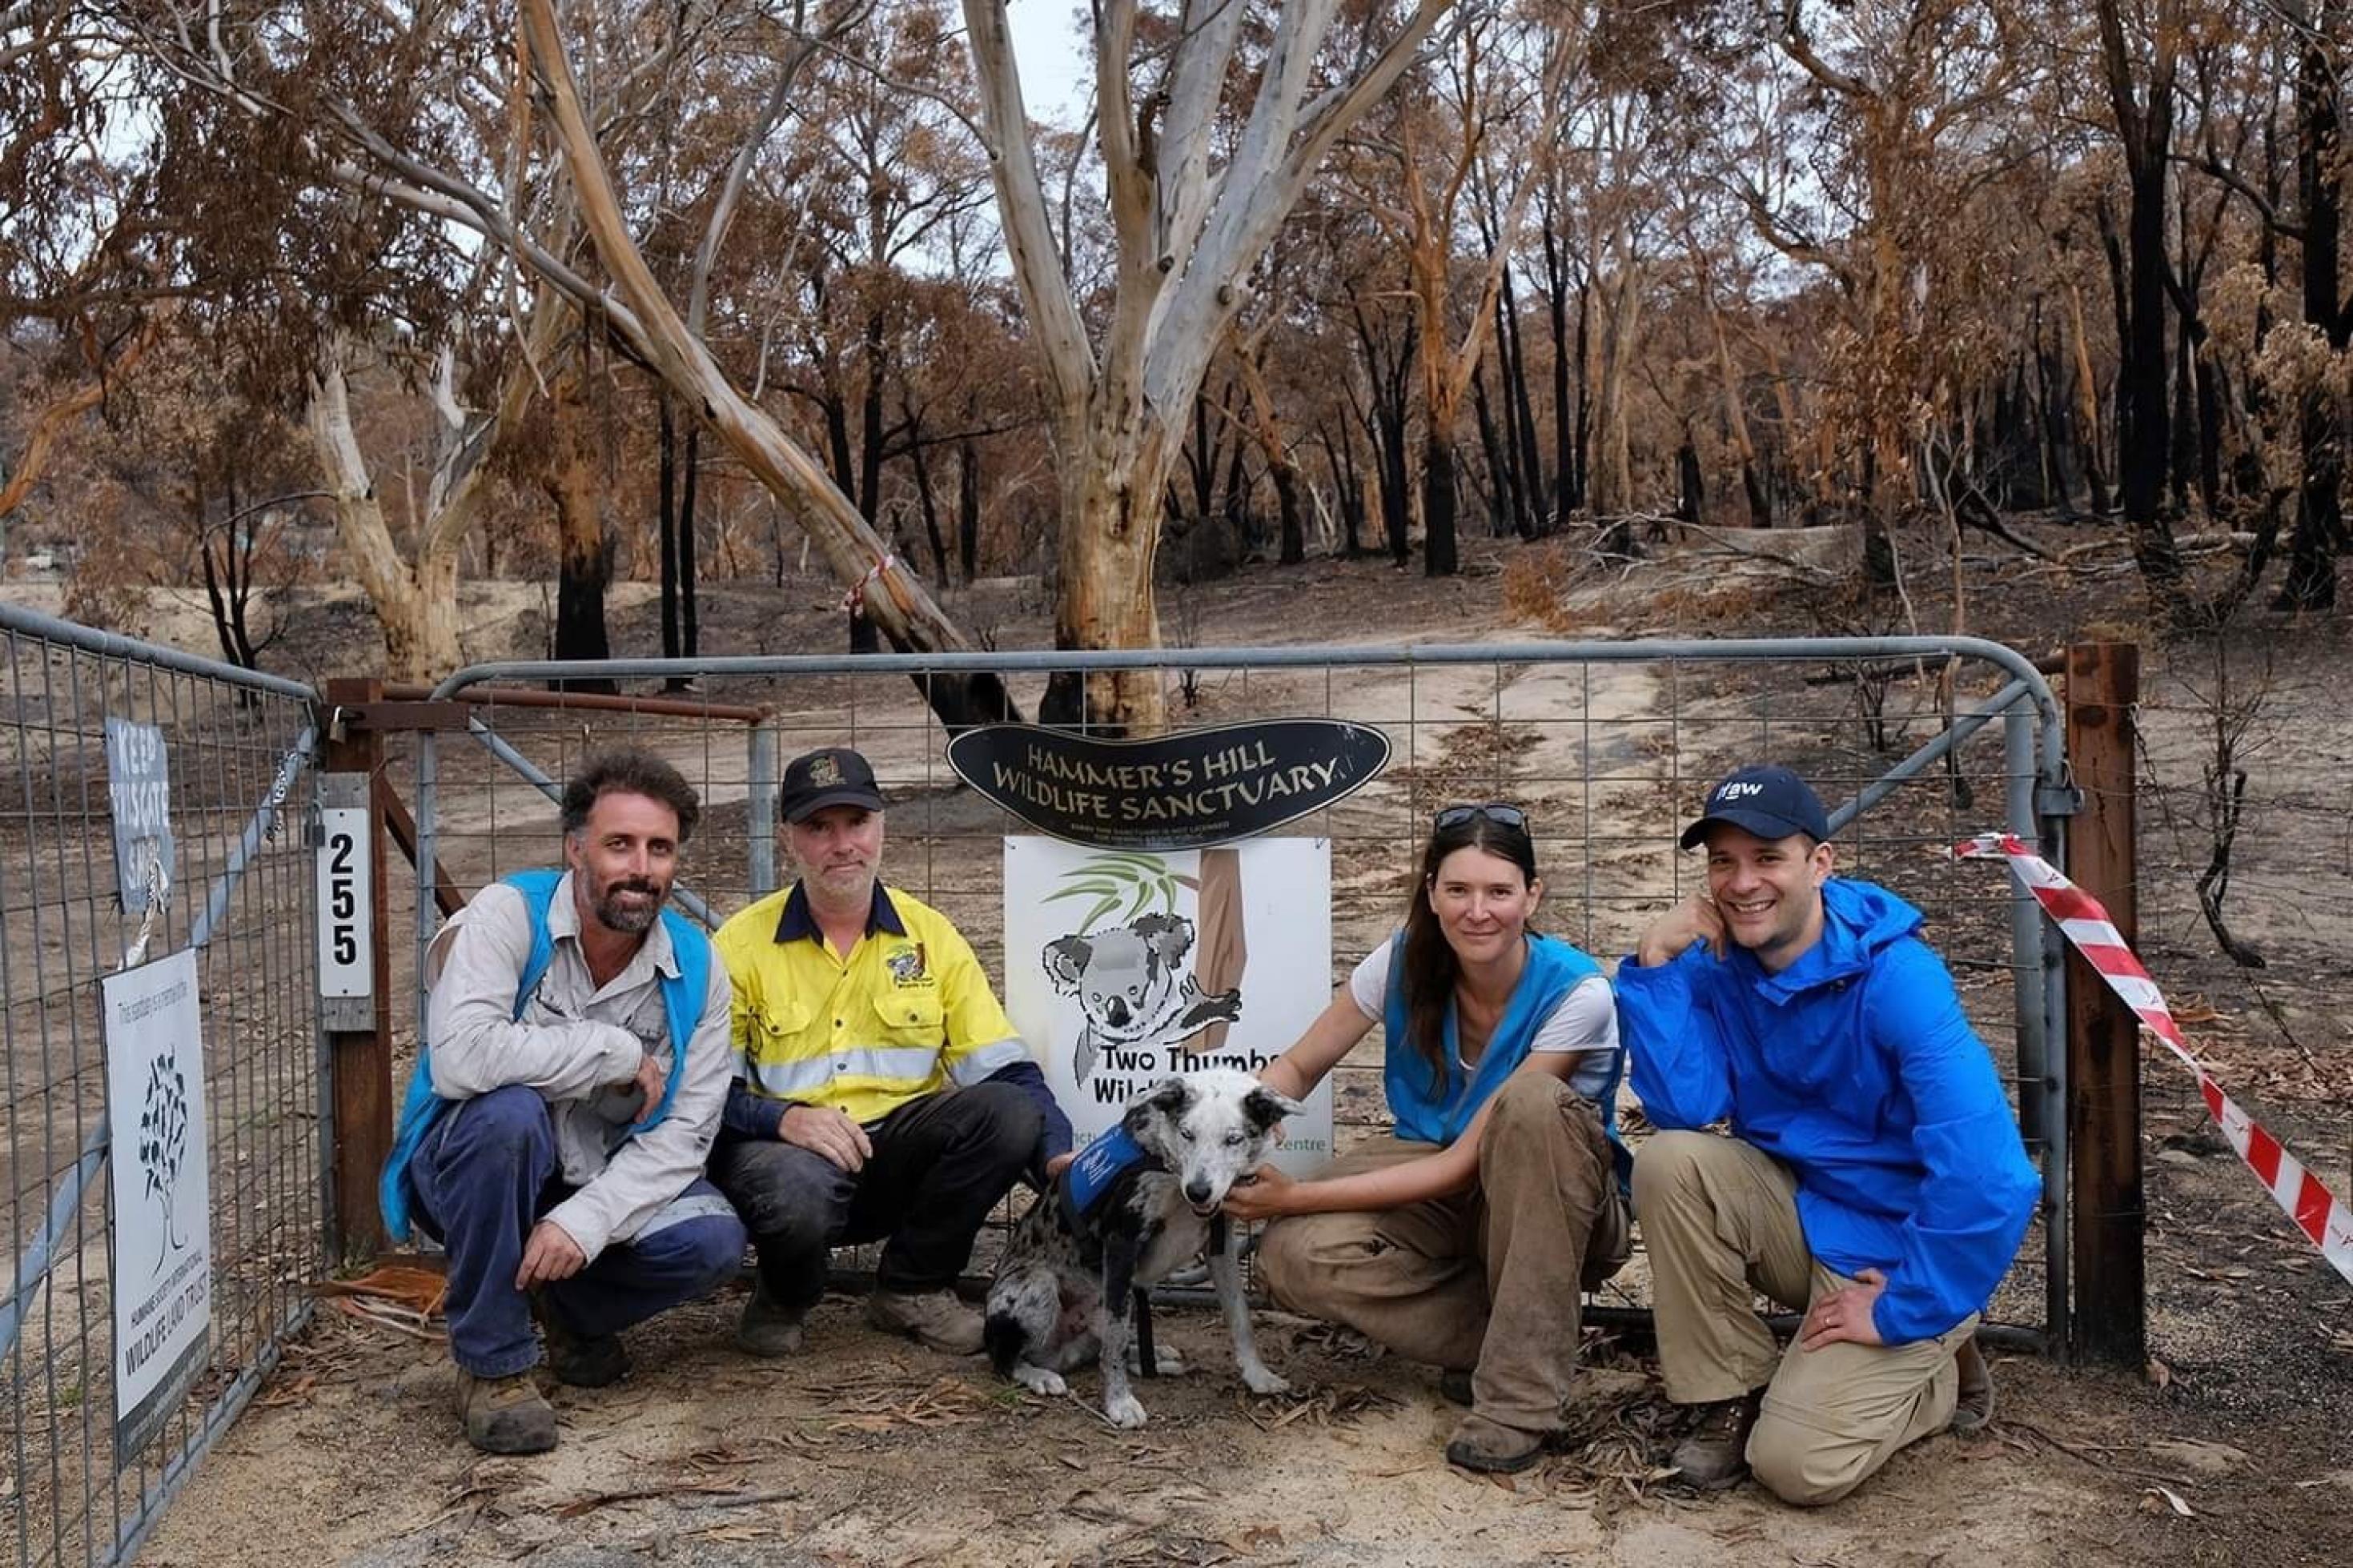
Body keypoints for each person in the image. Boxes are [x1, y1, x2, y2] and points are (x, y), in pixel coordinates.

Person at [1617, 763, 2037, 1505]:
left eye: (1767, 857)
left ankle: (1938, 1361)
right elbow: (1685, 1105)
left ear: (1818, 863)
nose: (1742, 882)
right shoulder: (1720, 964)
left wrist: (1909, 1302)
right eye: (1723, 860)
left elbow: (1991, 1175)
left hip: (1891, 1249)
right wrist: (1655, 964)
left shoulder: (1898, 978)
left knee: (1795, 1467)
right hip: (1802, 1214)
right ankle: (1730, 1390)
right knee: (1669, 1162)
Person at [1224, 802, 1631, 1474]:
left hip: (1552, 1197)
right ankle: (1507, 1335)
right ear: (1430, 893)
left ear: (1532, 895)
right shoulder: (1404, 958)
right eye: (1458, 889)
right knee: (1288, 1257)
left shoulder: (1577, 991)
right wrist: (1224, 1129)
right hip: (1433, 1166)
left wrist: (1294, 1196)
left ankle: (1518, 1401)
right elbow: (1296, 1067)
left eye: (1499, 891)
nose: (1478, 911)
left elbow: (1466, 1161)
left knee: (1530, 1105)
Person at [379, 748, 747, 1455]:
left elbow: (686, 1135)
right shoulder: (506, 916)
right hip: (472, 1166)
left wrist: (584, 1221)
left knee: (712, 1239)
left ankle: (562, 1305)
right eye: (619, 844)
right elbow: (461, 1056)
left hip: (591, 1178)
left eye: (659, 848)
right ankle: (492, 1363)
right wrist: (612, 1052)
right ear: (575, 848)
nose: (640, 867)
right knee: (509, 1115)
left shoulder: (698, 968)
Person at [710, 746, 1073, 1358]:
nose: (841, 843)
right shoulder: (739, 945)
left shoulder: (931, 935)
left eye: (856, 822)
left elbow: (1007, 1068)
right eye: (818, 827)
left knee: (1009, 1111)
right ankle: (784, 1293)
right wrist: (784, 1119)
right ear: (788, 838)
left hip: (899, 1159)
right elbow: (704, 1093)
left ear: (882, 825)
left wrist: (1057, 1156)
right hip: (789, 1159)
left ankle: (912, 1287)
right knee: (792, 1185)